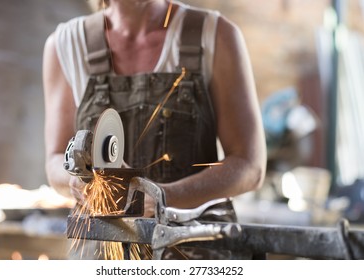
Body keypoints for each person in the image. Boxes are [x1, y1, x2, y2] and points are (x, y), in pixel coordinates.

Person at [43, 0, 266, 258]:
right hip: (103, 253)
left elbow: (250, 167)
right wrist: (75, 181)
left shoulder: (215, 34)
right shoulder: (67, 44)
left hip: (193, 254)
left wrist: (163, 197)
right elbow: (55, 159)